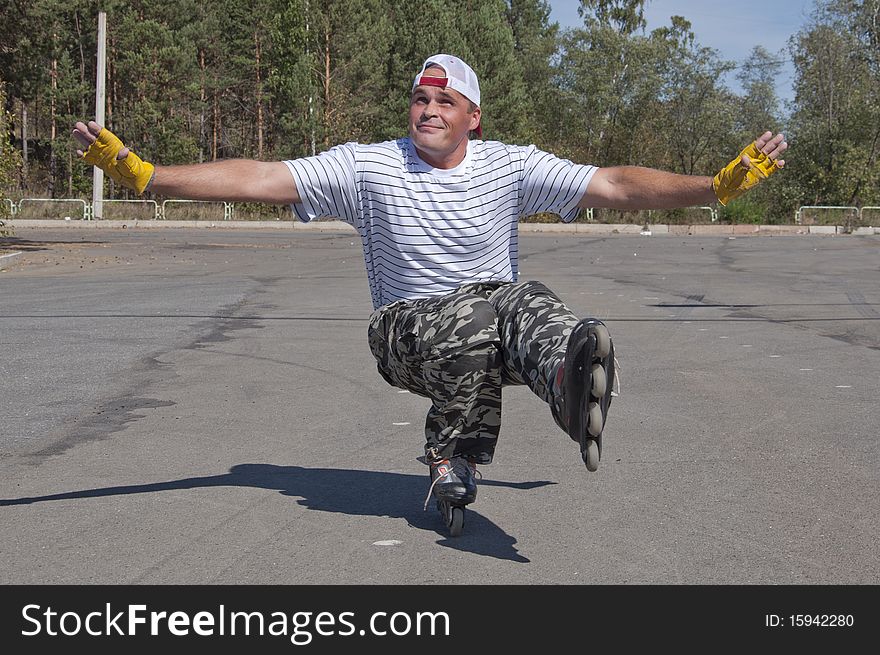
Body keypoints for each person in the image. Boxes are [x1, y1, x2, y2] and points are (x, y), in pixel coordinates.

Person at [73, 54, 787, 534]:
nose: (428, 109)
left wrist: (713, 187)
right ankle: (457, 447)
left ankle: (566, 378)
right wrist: (146, 173)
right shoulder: (366, 167)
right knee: (476, 308)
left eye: (445, 100)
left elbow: (614, 184)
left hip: (481, 329)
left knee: (519, 297)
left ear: (473, 116)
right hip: (402, 333)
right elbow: (259, 177)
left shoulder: (511, 166)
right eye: (419, 97)